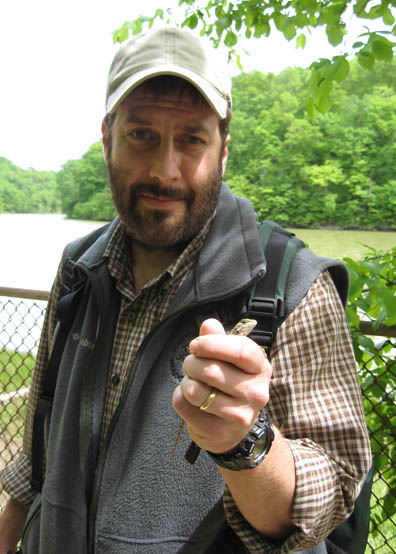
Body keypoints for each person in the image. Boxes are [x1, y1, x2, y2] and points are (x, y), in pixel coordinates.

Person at [0, 26, 371, 553]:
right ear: (107, 138)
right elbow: (43, 422)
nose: (164, 169)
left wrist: (246, 444)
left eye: (191, 139)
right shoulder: (78, 267)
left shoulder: (295, 285)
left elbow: (331, 498)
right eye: (141, 135)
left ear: (223, 151)